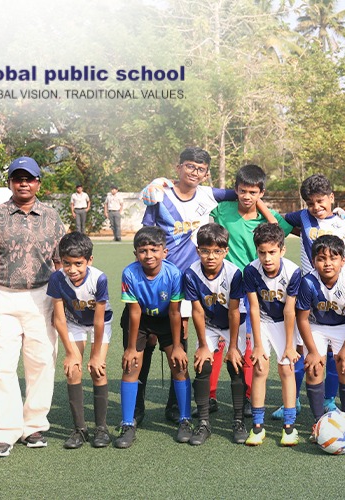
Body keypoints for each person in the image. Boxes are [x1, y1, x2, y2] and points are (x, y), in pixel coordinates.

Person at [0, 157, 68, 457]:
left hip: (42, 296)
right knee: (1, 367)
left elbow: (60, 264)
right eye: (17, 178)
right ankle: (2, 432)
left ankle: (34, 425)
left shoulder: (52, 217)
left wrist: (59, 304)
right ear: (10, 182)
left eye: (29, 178)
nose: (23, 183)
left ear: (39, 182)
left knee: (41, 363)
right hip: (2, 297)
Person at [138, 147, 237, 423]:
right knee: (149, 340)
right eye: (190, 166)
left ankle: (173, 405)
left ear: (206, 173)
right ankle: (137, 408)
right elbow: (146, 235)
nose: (195, 172)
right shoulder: (160, 196)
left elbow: (243, 191)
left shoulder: (208, 194)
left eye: (201, 169)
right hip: (164, 279)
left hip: (193, 281)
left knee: (178, 343)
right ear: (178, 167)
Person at [207, 164, 290, 440]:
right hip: (225, 281)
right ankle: (209, 395)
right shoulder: (223, 210)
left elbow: (278, 230)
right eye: (242, 191)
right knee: (218, 338)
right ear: (235, 190)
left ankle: (245, 395)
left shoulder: (267, 218)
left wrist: (260, 205)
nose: (246, 196)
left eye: (253, 192)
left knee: (247, 341)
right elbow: (208, 201)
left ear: (261, 193)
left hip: (254, 282)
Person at [281, 174, 345, 414]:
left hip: (340, 302)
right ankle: (304, 409)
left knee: (342, 361)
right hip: (313, 294)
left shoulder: (344, 223)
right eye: (311, 203)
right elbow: (280, 220)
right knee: (310, 359)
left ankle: (339, 409)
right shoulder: (304, 217)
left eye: (321, 201)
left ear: (331, 198)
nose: (316, 207)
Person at [113, 226, 189, 449]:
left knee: (179, 364)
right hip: (140, 320)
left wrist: (177, 346)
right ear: (135, 253)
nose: (149, 255)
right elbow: (134, 312)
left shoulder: (174, 274)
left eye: (154, 250)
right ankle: (128, 422)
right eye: (143, 250)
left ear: (164, 252)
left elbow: (175, 312)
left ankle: (184, 419)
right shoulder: (129, 273)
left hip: (167, 319)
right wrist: (130, 348)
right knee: (131, 365)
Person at [181, 223, 250, 446]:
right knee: (203, 365)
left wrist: (232, 347)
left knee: (236, 364)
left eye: (217, 251)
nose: (211, 256)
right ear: (198, 250)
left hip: (233, 325)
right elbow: (198, 310)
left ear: (226, 251)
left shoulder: (234, 273)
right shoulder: (191, 273)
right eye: (205, 250)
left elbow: (233, 310)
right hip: (209, 325)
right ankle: (203, 422)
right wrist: (203, 345)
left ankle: (238, 420)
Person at [47, 232, 114, 449]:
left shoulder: (99, 278)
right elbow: (58, 318)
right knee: (73, 370)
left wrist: (95, 355)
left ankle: (101, 428)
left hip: (99, 325)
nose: (72, 270)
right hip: (73, 324)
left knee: (98, 370)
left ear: (89, 261)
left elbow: (99, 320)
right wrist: (70, 352)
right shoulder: (57, 278)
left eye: (78, 264)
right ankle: (80, 429)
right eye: (67, 263)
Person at [241, 223, 305, 446]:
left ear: (282, 250)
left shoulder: (293, 271)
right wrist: (258, 344)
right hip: (263, 322)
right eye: (262, 252)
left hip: (284, 323)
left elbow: (290, 310)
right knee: (260, 367)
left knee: (287, 369)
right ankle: (257, 427)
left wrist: (289, 346)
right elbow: (254, 308)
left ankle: (289, 427)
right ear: (256, 251)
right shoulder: (250, 271)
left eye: (272, 252)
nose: (267, 258)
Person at [294, 235, 345, 425]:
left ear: (343, 261)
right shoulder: (308, 281)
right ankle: (319, 422)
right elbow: (301, 318)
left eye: (333, 258)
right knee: (313, 368)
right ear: (313, 261)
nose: (327, 263)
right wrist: (312, 351)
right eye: (321, 258)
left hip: (343, 325)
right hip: (315, 326)